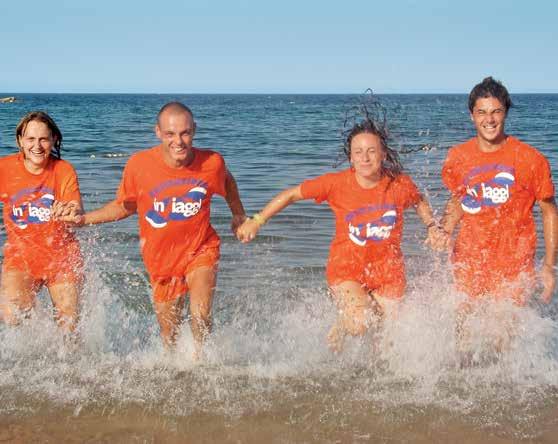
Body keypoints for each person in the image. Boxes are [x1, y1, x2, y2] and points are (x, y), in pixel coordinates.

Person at [237, 116, 445, 352]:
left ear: (383, 155)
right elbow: (292, 194)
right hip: (347, 269)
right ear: (351, 158)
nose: (365, 158)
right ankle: (343, 322)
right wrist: (257, 220)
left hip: (389, 271)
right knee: (360, 324)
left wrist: (431, 226)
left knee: (388, 342)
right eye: (358, 152)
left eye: (371, 151)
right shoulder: (336, 184)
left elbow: (419, 201)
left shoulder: (399, 184)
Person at [57, 102, 247, 358]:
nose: (178, 141)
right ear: (158, 132)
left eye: (185, 133)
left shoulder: (211, 162)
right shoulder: (140, 165)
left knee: (200, 315)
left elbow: (227, 180)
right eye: (170, 134)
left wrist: (238, 214)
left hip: (201, 248)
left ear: (194, 130)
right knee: (169, 336)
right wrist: (85, 219)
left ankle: (202, 363)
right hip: (160, 260)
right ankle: (175, 371)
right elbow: (125, 207)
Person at [437, 77, 558, 359]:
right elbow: (458, 200)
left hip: (513, 263)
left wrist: (549, 266)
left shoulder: (531, 159)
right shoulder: (458, 157)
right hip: (469, 258)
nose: (489, 119)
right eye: (482, 112)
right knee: (462, 338)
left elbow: (549, 210)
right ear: (472, 115)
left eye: (496, 111)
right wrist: (445, 230)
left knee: (503, 342)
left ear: (505, 112)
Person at [0, 111, 83, 336]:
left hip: (62, 257)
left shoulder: (63, 170)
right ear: (20, 141)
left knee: (69, 330)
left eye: (44, 139)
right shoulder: (5, 168)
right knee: (10, 314)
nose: (37, 146)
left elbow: (76, 209)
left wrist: (70, 211)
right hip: (21, 257)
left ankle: (70, 367)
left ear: (54, 140)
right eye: (30, 139)